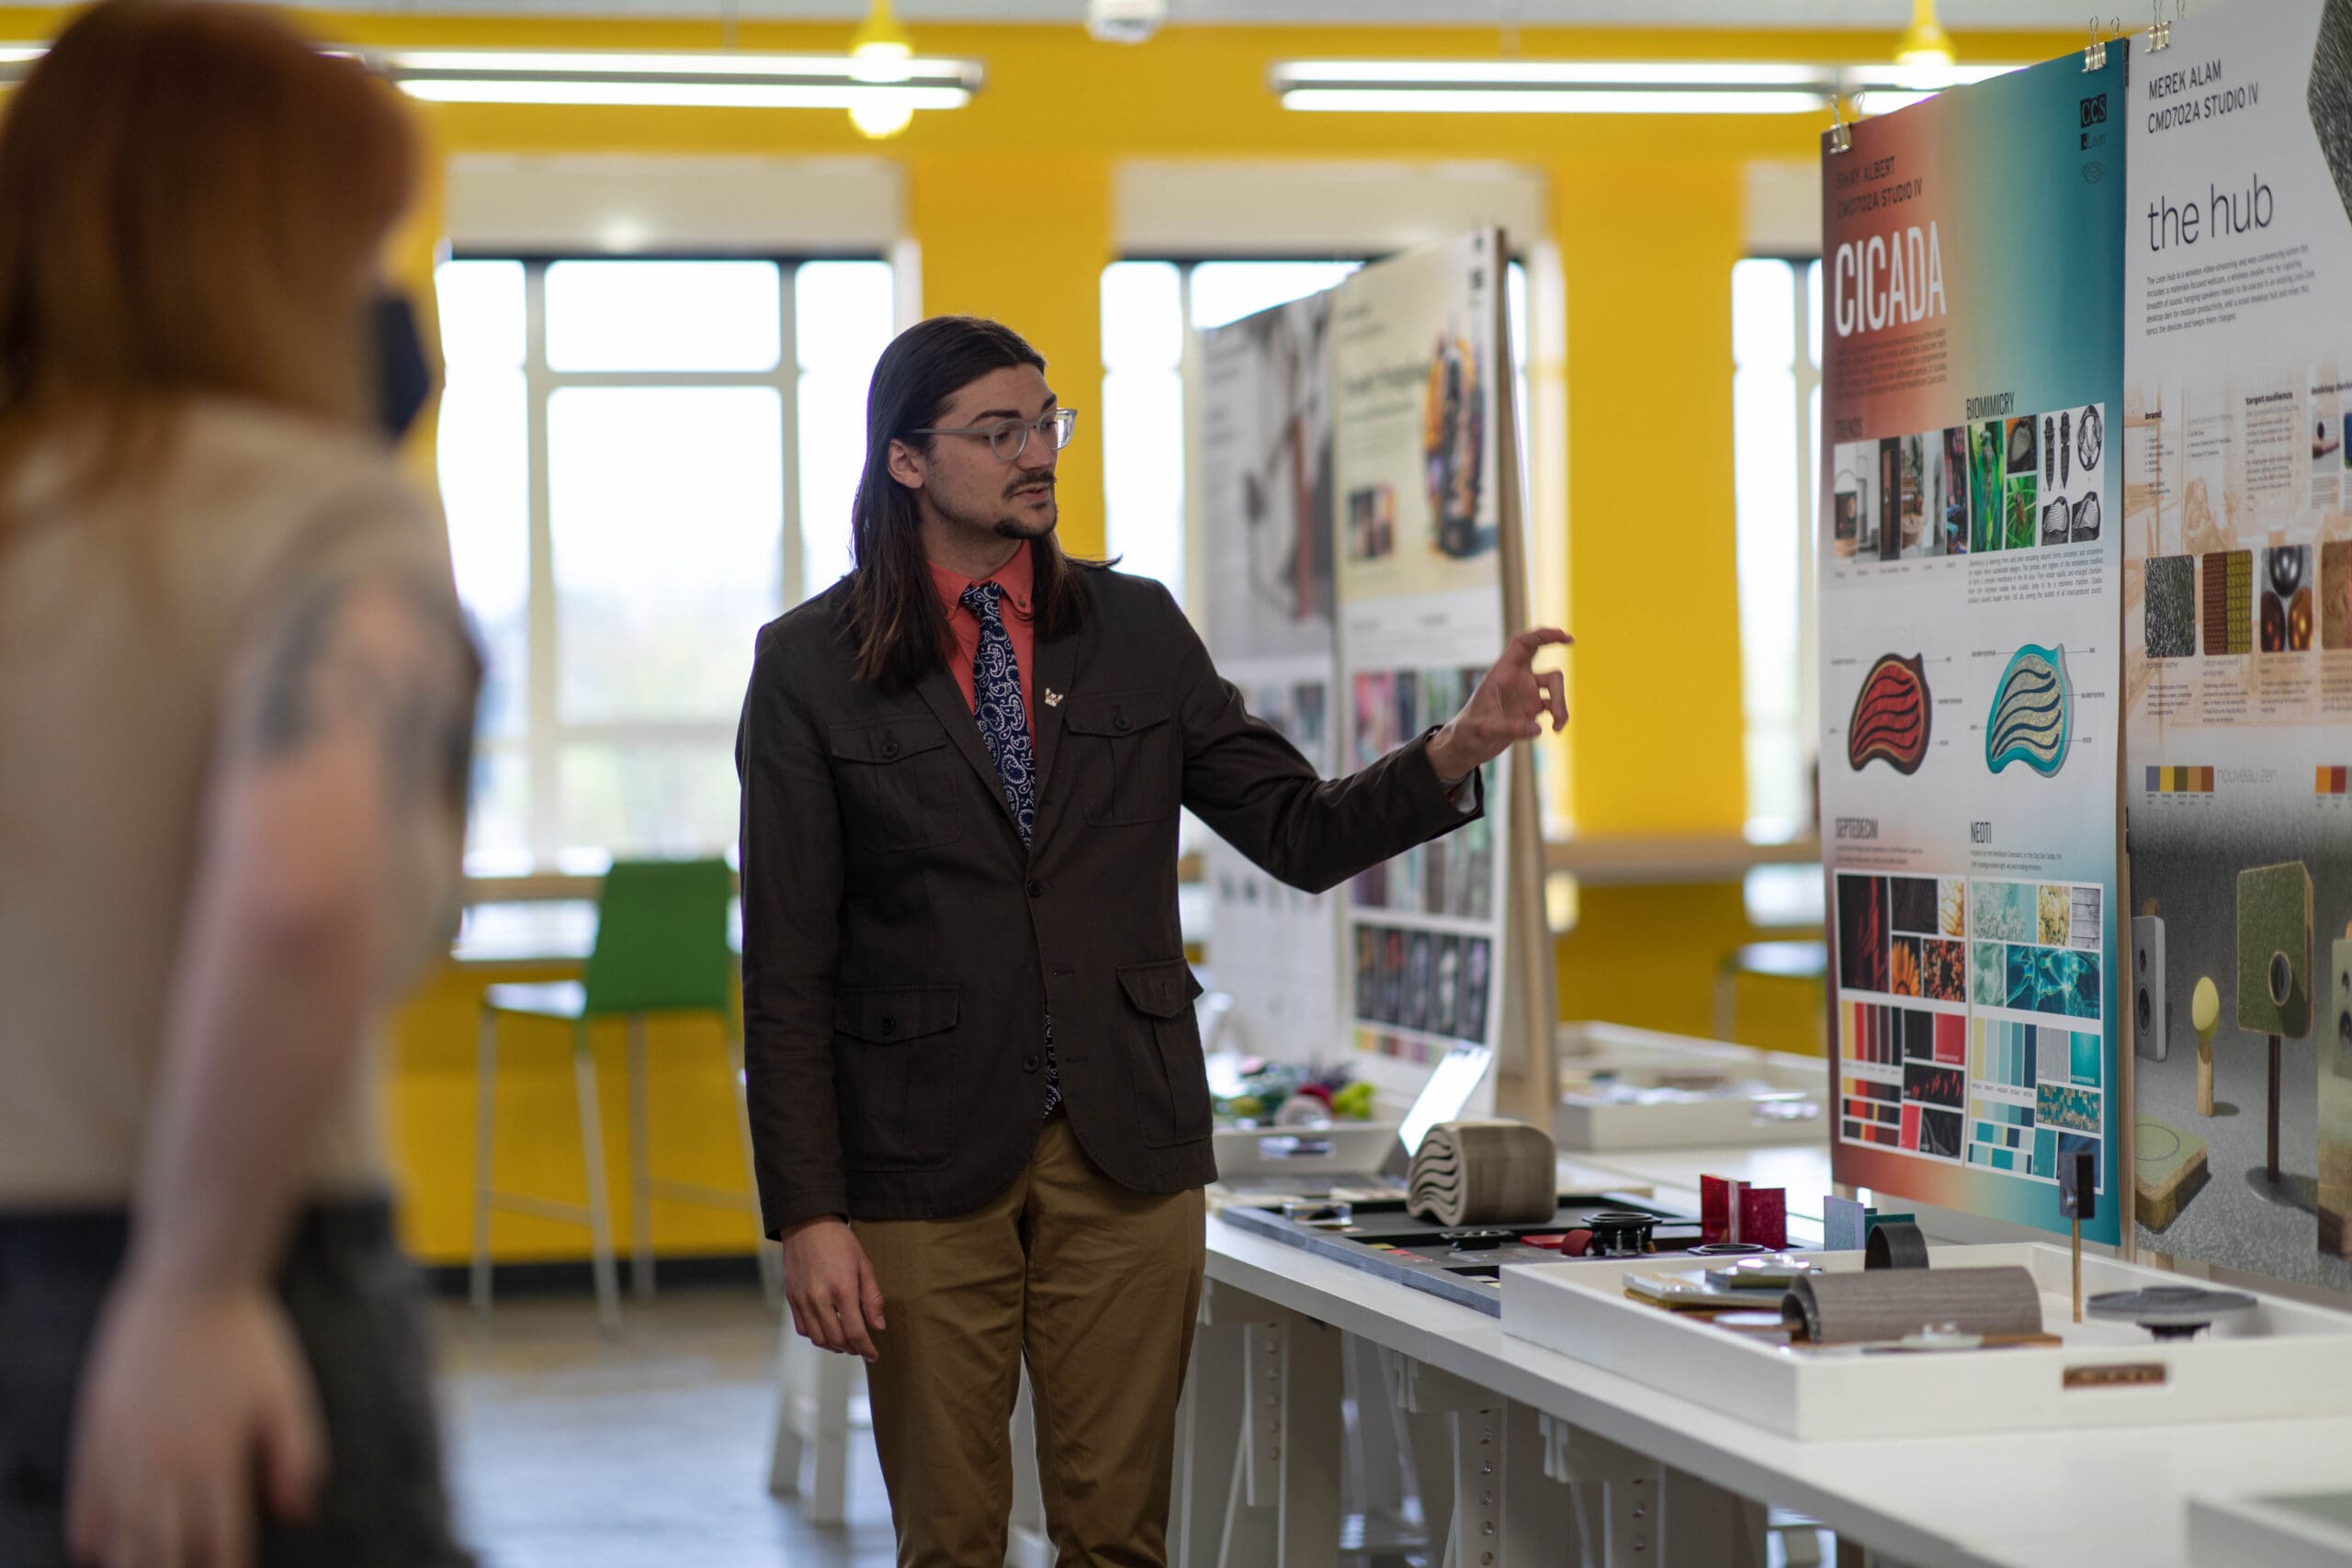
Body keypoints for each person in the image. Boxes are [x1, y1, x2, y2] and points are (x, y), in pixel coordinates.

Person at [737, 313, 1567, 1566]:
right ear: (907, 460)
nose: (1039, 452)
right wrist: (808, 1212)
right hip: (916, 1151)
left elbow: (1296, 830)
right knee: (951, 1538)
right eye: (1000, 429)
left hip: (1125, 1142)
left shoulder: (1132, 631)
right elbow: (786, 970)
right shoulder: (809, 665)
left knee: (1119, 1537)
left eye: (1048, 421)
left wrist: (1456, 750)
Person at [0, 5, 481, 1566]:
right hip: (211, 1294)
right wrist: (193, 1285)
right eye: (355, 240)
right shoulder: (321, 514)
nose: (376, 288)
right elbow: (303, 879)